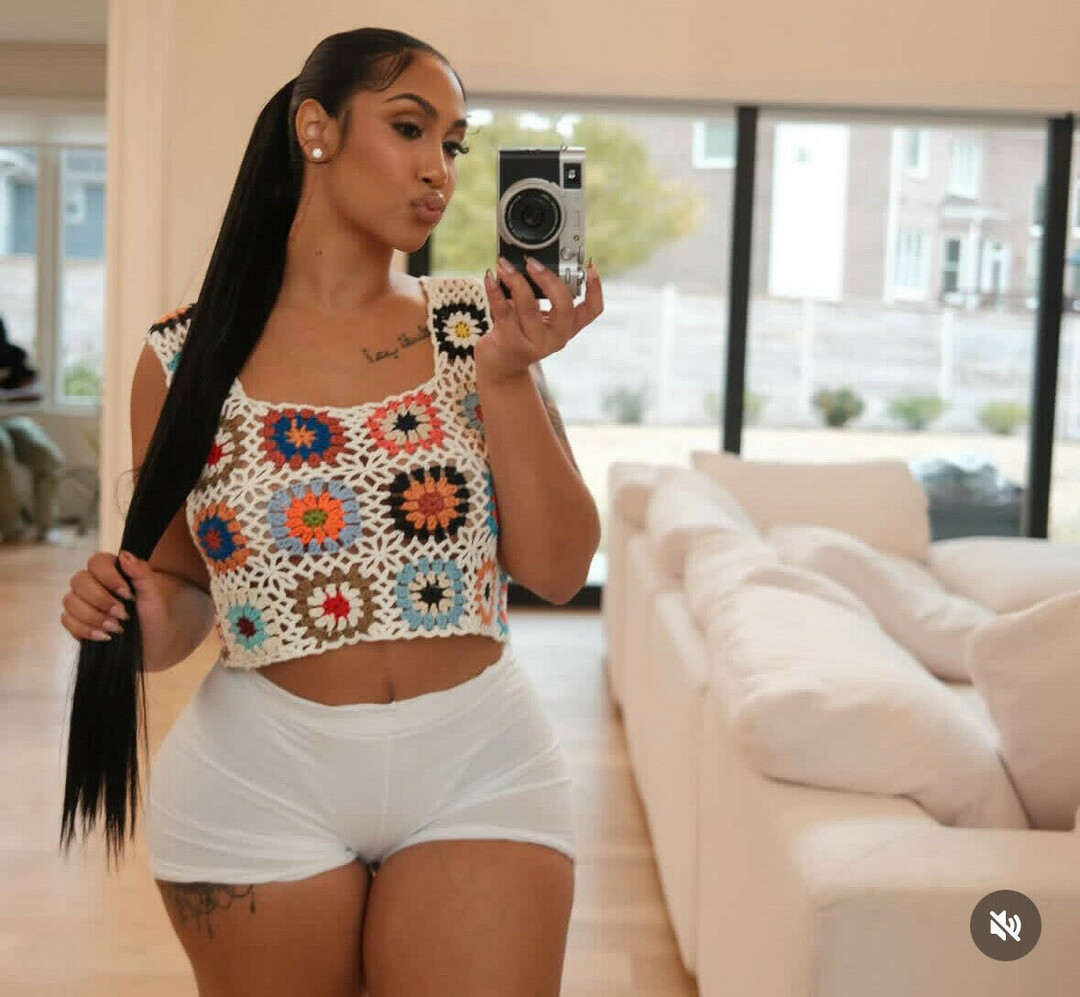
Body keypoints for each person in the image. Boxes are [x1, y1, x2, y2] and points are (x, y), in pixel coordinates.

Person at [58, 26, 603, 996]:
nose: (439, 169)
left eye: (454, 144)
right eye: (410, 128)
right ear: (317, 129)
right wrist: (124, 613)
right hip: (258, 777)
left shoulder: (478, 323)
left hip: (479, 766)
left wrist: (509, 375)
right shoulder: (182, 358)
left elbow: (560, 570)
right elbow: (183, 591)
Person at [0, 315, 65, 544]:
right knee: (1, 449)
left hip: (14, 419)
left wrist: (5, 396)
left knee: (47, 457)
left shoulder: (15, 355)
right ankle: (10, 526)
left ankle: (47, 526)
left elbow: (35, 393)